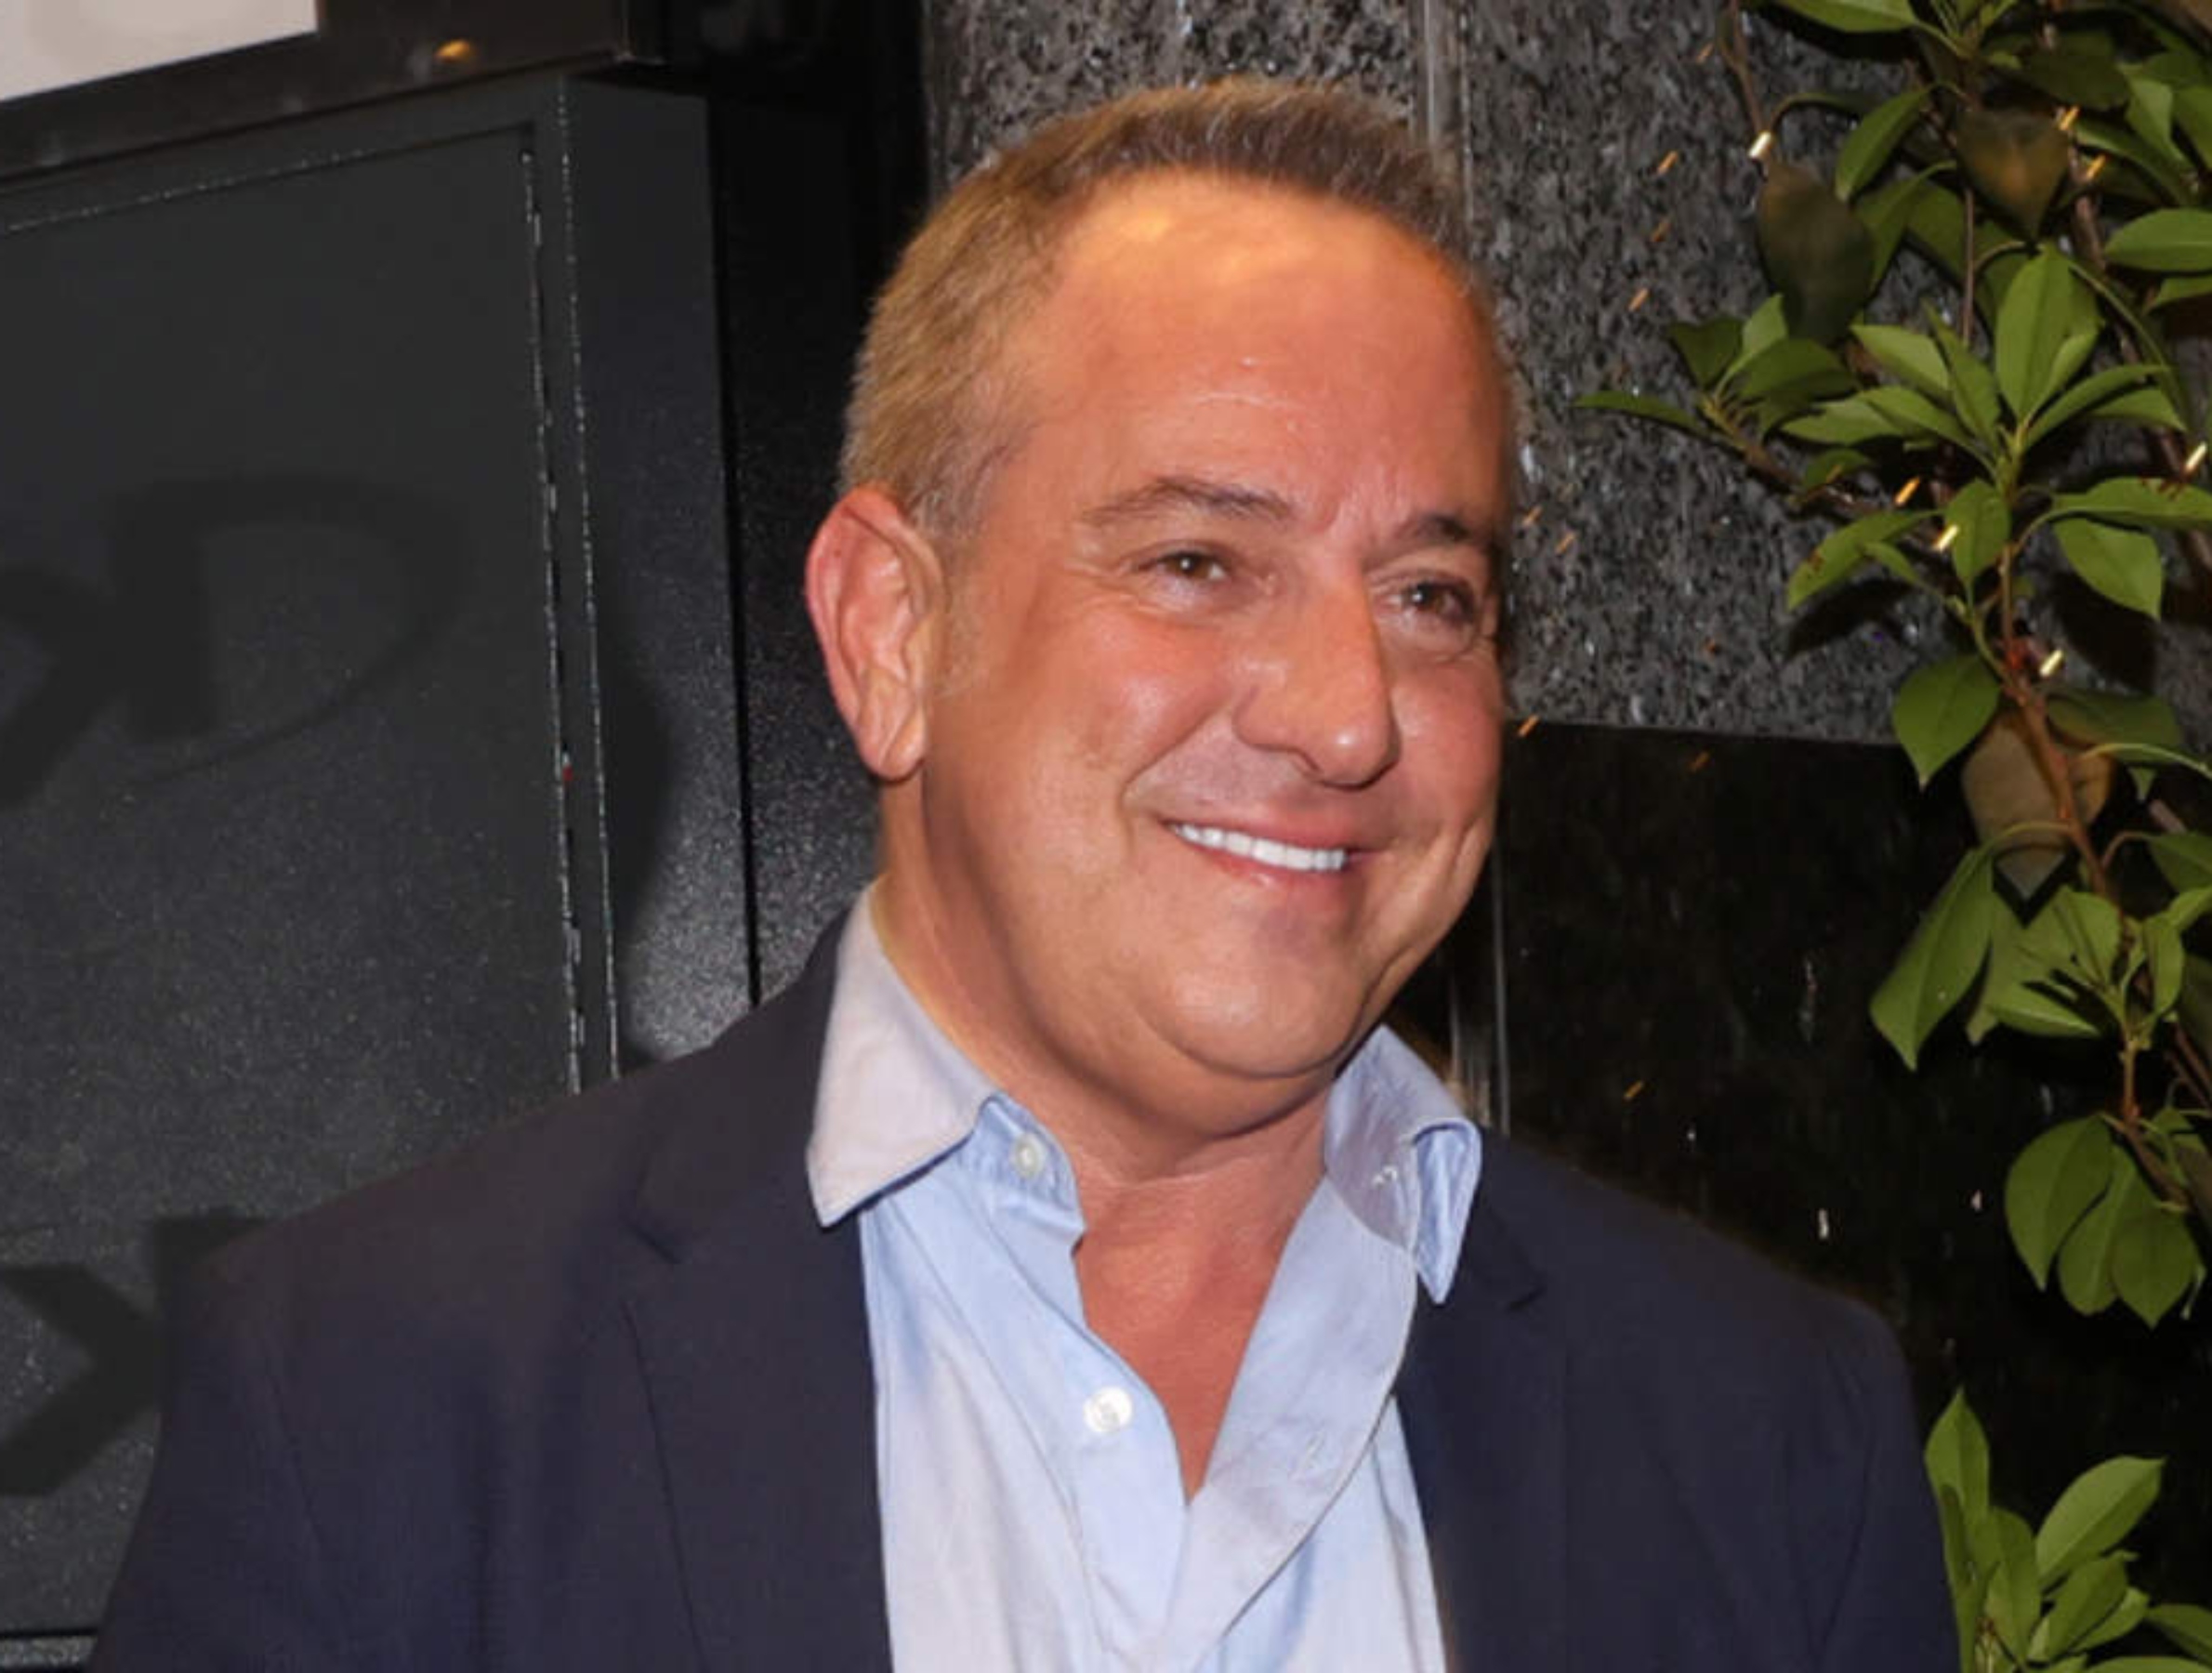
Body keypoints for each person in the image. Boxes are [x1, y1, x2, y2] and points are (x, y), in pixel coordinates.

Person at [93, 80, 1953, 1670]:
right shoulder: (378, 1409)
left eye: (1428, 595)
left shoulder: (1770, 1445)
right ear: (892, 631)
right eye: (1196, 562)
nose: (1345, 717)